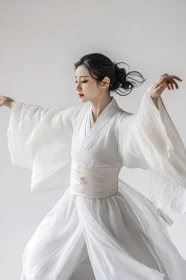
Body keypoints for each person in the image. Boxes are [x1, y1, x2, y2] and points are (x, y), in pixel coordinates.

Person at [1, 52, 186, 280]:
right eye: (76, 81)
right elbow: (46, 119)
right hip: (73, 206)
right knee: (41, 260)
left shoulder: (120, 123)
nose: (78, 86)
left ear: (104, 82)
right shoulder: (78, 116)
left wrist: (152, 97)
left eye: (84, 80)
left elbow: (142, 128)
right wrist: (13, 106)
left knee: (118, 266)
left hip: (105, 210)